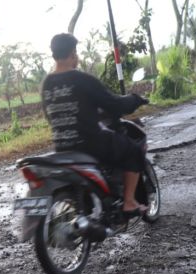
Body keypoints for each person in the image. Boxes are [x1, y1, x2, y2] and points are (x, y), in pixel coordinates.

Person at [41, 33, 149, 216]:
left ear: (54, 54)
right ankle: (129, 202)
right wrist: (135, 99)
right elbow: (114, 103)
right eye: (76, 52)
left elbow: (50, 115)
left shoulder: (46, 83)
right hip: (90, 143)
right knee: (134, 150)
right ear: (73, 53)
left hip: (62, 146)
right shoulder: (81, 79)